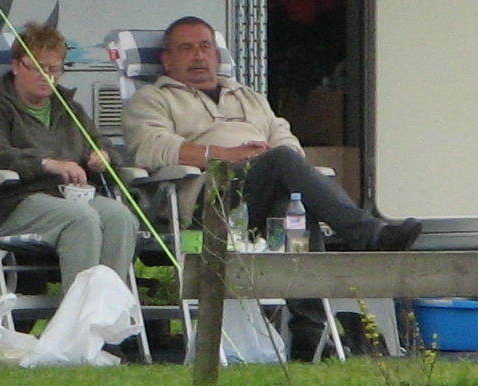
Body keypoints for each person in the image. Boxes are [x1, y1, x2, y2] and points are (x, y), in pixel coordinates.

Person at [121, 16, 422, 251]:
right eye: (186, 48)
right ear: (167, 60)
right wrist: (226, 155)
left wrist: (269, 161)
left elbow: (284, 137)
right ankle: (370, 235)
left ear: (216, 54)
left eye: (205, 46)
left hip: (258, 194)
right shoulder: (153, 98)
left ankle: (308, 326)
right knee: (281, 161)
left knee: (294, 210)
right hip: (209, 199)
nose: (199, 56)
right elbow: (150, 147)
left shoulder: (248, 96)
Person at [0, 24, 142, 290]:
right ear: (17, 66)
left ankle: (106, 312)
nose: (47, 76)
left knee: (121, 218)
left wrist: (103, 155)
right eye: (37, 67)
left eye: (54, 69)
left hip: (69, 197)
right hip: (15, 202)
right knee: (82, 219)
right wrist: (46, 164)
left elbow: (101, 144)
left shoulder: (68, 108)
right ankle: (77, 320)